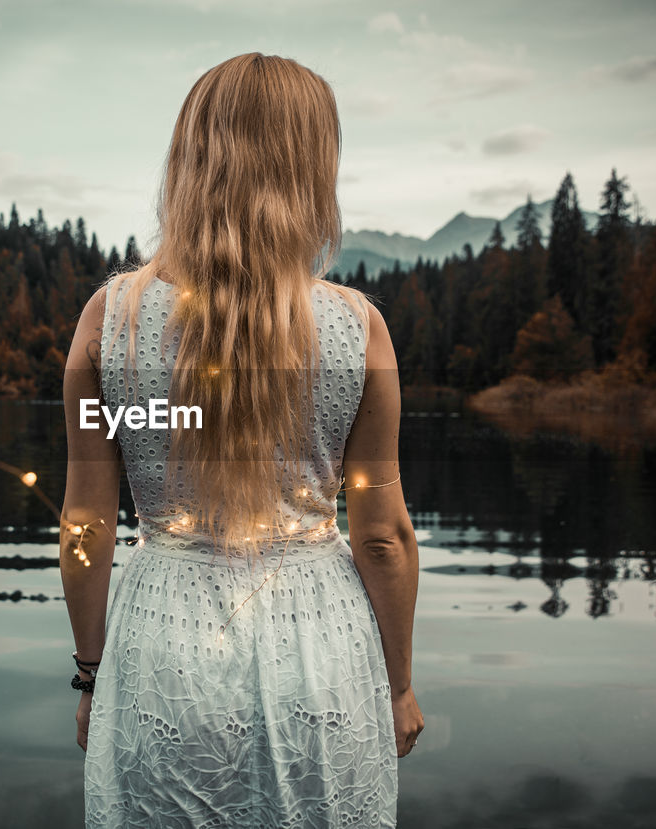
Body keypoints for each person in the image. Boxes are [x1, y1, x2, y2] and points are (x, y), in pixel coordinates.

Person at [59, 52, 422, 828]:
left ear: (190, 159)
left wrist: (90, 675)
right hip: (320, 647)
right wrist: (396, 686)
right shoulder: (359, 328)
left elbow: (85, 527)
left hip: (162, 651)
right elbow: (383, 537)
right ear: (309, 167)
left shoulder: (109, 320)